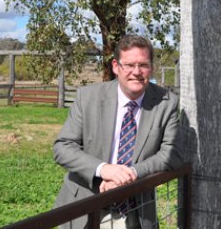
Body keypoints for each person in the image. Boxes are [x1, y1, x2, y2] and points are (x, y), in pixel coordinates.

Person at [53, 35, 183, 229]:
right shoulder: (88, 97)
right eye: (129, 65)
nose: (137, 72)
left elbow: (172, 155)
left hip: (135, 211)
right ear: (116, 66)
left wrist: (130, 174)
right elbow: (63, 147)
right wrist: (104, 169)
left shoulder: (166, 103)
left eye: (143, 65)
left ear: (152, 67)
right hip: (85, 208)